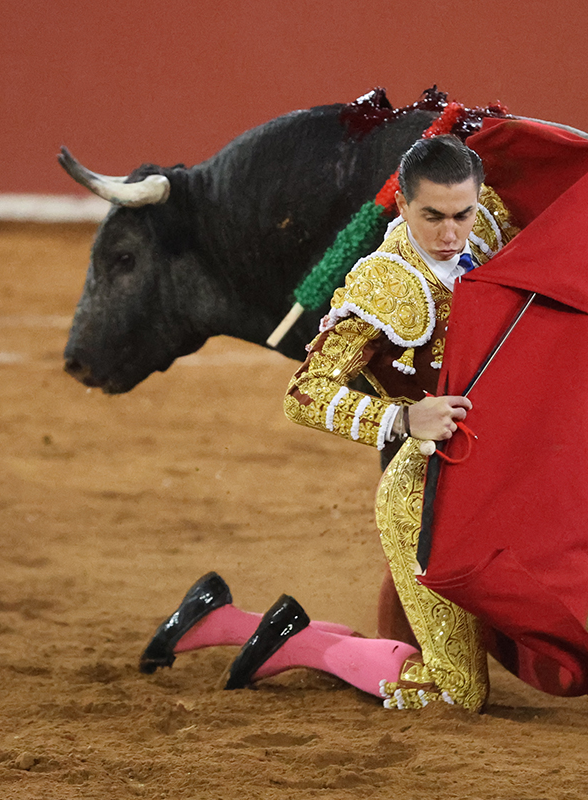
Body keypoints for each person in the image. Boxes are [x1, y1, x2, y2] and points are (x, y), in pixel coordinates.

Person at [140, 134, 518, 711]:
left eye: (461, 213)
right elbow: (305, 395)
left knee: (426, 641)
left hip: (488, 475)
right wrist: (401, 417)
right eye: (432, 216)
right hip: (425, 489)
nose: (451, 233)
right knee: (454, 692)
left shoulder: (486, 224)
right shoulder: (385, 284)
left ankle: (224, 622)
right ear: (403, 207)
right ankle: (295, 645)